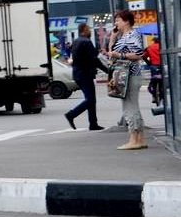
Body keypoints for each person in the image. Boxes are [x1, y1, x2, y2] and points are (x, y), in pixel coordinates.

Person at [107, 10, 149, 150]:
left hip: (130, 75)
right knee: (131, 106)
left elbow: (138, 54)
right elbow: (111, 54)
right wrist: (113, 39)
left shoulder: (132, 34)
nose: (116, 23)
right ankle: (139, 138)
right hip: (126, 75)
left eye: (118, 20)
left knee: (129, 107)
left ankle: (134, 139)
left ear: (126, 21)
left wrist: (120, 55)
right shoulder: (123, 36)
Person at [64, 23, 108, 131]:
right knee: (90, 99)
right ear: (84, 30)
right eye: (89, 29)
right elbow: (95, 60)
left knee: (91, 99)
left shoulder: (76, 41)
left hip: (78, 73)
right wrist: (108, 71)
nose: (90, 31)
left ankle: (93, 123)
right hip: (85, 74)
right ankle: (72, 114)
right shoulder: (86, 42)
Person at [146, 34, 163, 106]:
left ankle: (154, 96)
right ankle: (162, 95)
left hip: (153, 66)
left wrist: (148, 63)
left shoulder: (149, 47)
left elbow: (144, 56)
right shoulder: (163, 47)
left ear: (154, 41)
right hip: (162, 66)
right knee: (162, 81)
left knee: (153, 81)